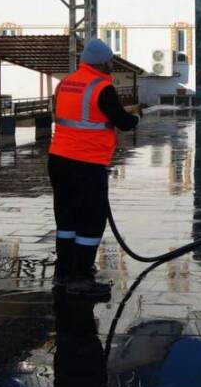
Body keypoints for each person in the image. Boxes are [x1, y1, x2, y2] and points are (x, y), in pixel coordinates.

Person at [49, 38, 139, 299]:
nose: (112, 65)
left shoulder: (65, 83)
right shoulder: (102, 87)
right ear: (102, 63)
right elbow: (122, 122)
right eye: (110, 61)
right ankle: (80, 279)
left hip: (59, 160)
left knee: (66, 219)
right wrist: (136, 118)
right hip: (87, 163)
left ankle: (63, 273)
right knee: (91, 220)